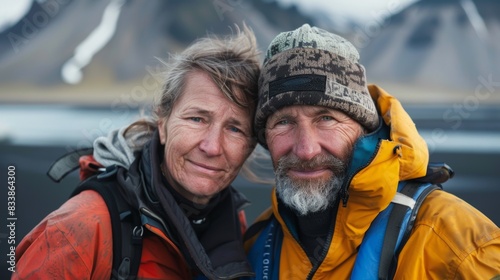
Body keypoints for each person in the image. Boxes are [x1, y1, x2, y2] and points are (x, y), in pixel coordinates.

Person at [243, 24, 500, 279]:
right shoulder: (255, 245)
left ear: (365, 129)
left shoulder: (457, 244)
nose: (306, 150)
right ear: (265, 136)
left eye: (326, 119)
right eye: (284, 122)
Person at [13, 24, 260, 279]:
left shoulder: (232, 224)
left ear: (250, 146)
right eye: (197, 119)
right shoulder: (80, 228)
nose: (212, 146)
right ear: (162, 124)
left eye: (235, 129)